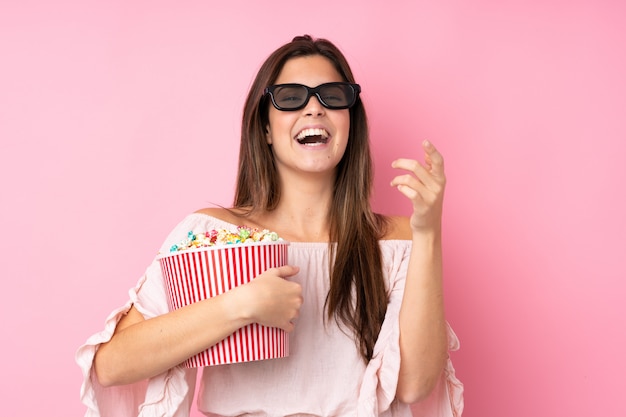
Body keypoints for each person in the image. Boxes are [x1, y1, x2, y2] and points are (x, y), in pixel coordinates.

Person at [76, 35, 463, 417]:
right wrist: (238, 306)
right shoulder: (213, 237)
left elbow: (414, 384)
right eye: (292, 97)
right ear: (264, 129)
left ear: (351, 122)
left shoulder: (398, 241)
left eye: (332, 95)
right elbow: (111, 365)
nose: (314, 109)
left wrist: (428, 232)